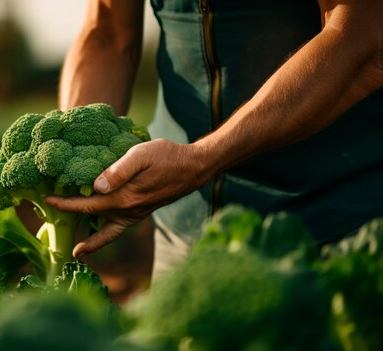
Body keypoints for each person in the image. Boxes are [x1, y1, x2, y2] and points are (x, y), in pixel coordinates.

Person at [45, 0, 383, 278]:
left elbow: (359, 35)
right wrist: (74, 154)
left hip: (335, 227)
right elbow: (108, 29)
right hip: (180, 232)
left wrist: (201, 159)